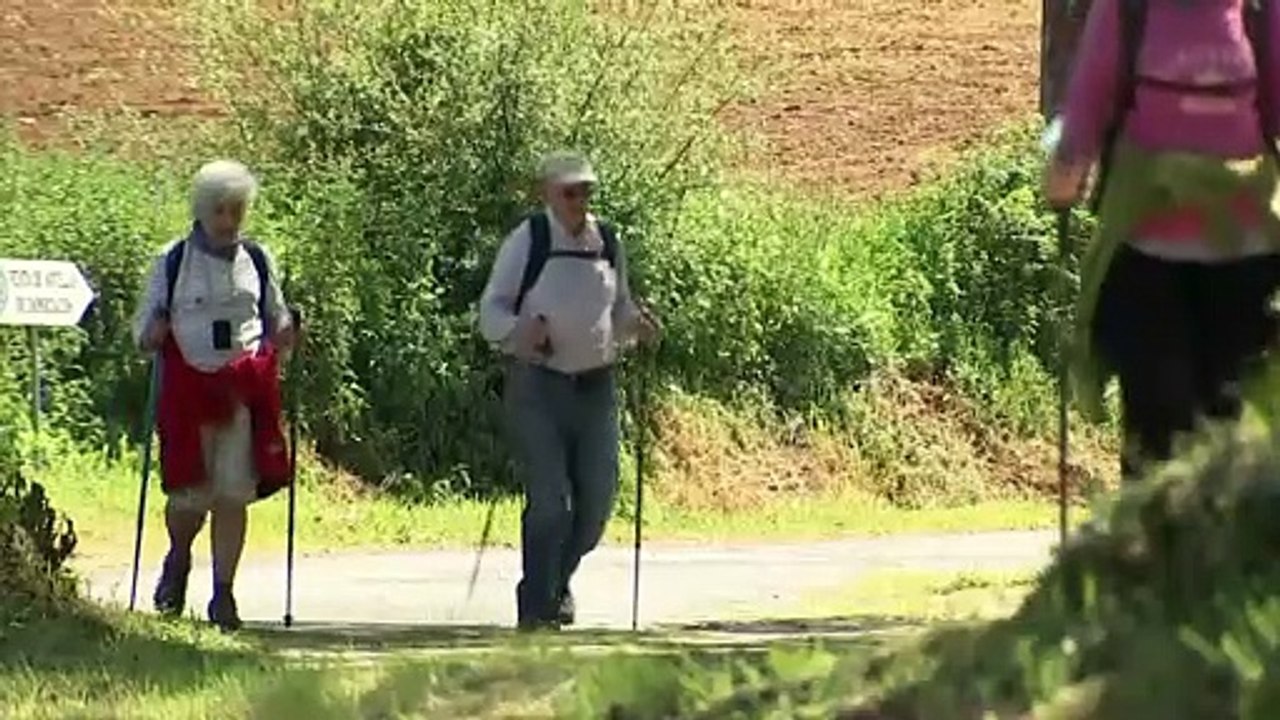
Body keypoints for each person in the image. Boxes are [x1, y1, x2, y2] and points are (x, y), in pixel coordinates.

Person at [1045, 0, 1280, 482]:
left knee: (1231, 423)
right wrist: (1069, 163)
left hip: (1243, 258)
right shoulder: (1127, 8)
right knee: (1156, 418)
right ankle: (1154, 527)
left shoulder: (1261, 9)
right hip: (1147, 253)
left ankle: (1219, 527)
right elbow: (1090, 94)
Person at [478, 150, 661, 631]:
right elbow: (491, 310)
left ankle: (556, 583)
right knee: (551, 503)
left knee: (596, 504)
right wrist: (519, 331)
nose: (579, 200)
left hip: (596, 387)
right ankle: (538, 603)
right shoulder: (530, 239)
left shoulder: (608, 241)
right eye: (570, 192)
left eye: (586, 191)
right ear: (548, 193)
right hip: (537, 385)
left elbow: (618, 309)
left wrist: (637, 326)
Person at [131, 159, 298, 631]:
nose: (229, 220)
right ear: (202, 211)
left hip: (242, 395)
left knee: (233, 495)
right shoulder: (173, 260)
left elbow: (275, 317)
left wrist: (286, 331)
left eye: (237, 210)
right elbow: (143, 331)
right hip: (187, 395)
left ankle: (224, 595)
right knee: (188, 497)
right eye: (220, 210)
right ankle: (179, 558)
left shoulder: (257, 260)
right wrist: (152, 332)